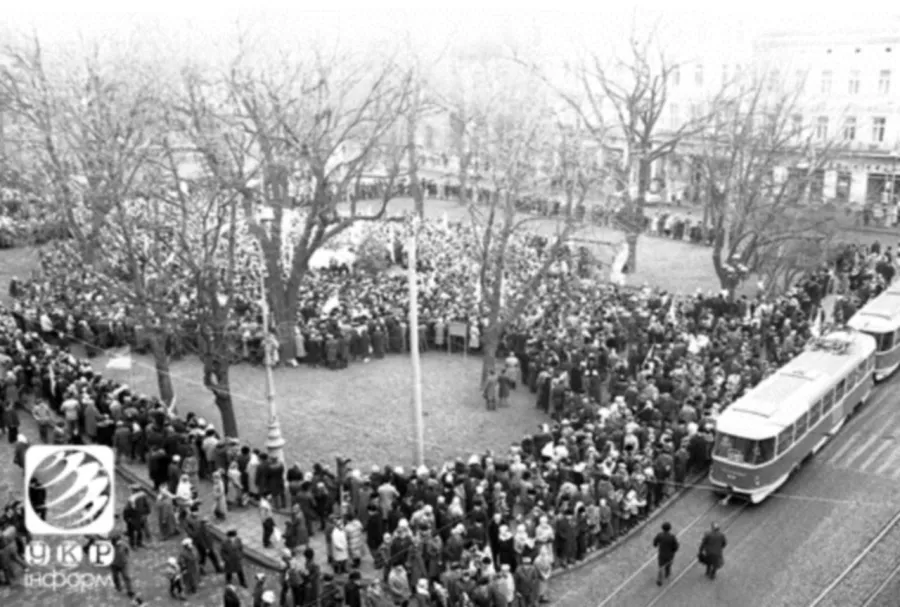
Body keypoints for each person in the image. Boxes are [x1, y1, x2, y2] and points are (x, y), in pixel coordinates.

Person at [652, 521, 679, 586]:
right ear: (670, 528)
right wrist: (673, 550)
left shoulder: (659, 535)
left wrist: (656, 545)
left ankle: (659, 579)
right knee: (668, 565)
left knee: (661, 566)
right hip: (670, 554)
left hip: (662, 554)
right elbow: (676, 546)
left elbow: (655, 543)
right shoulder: (672, 537)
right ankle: (667, 573)